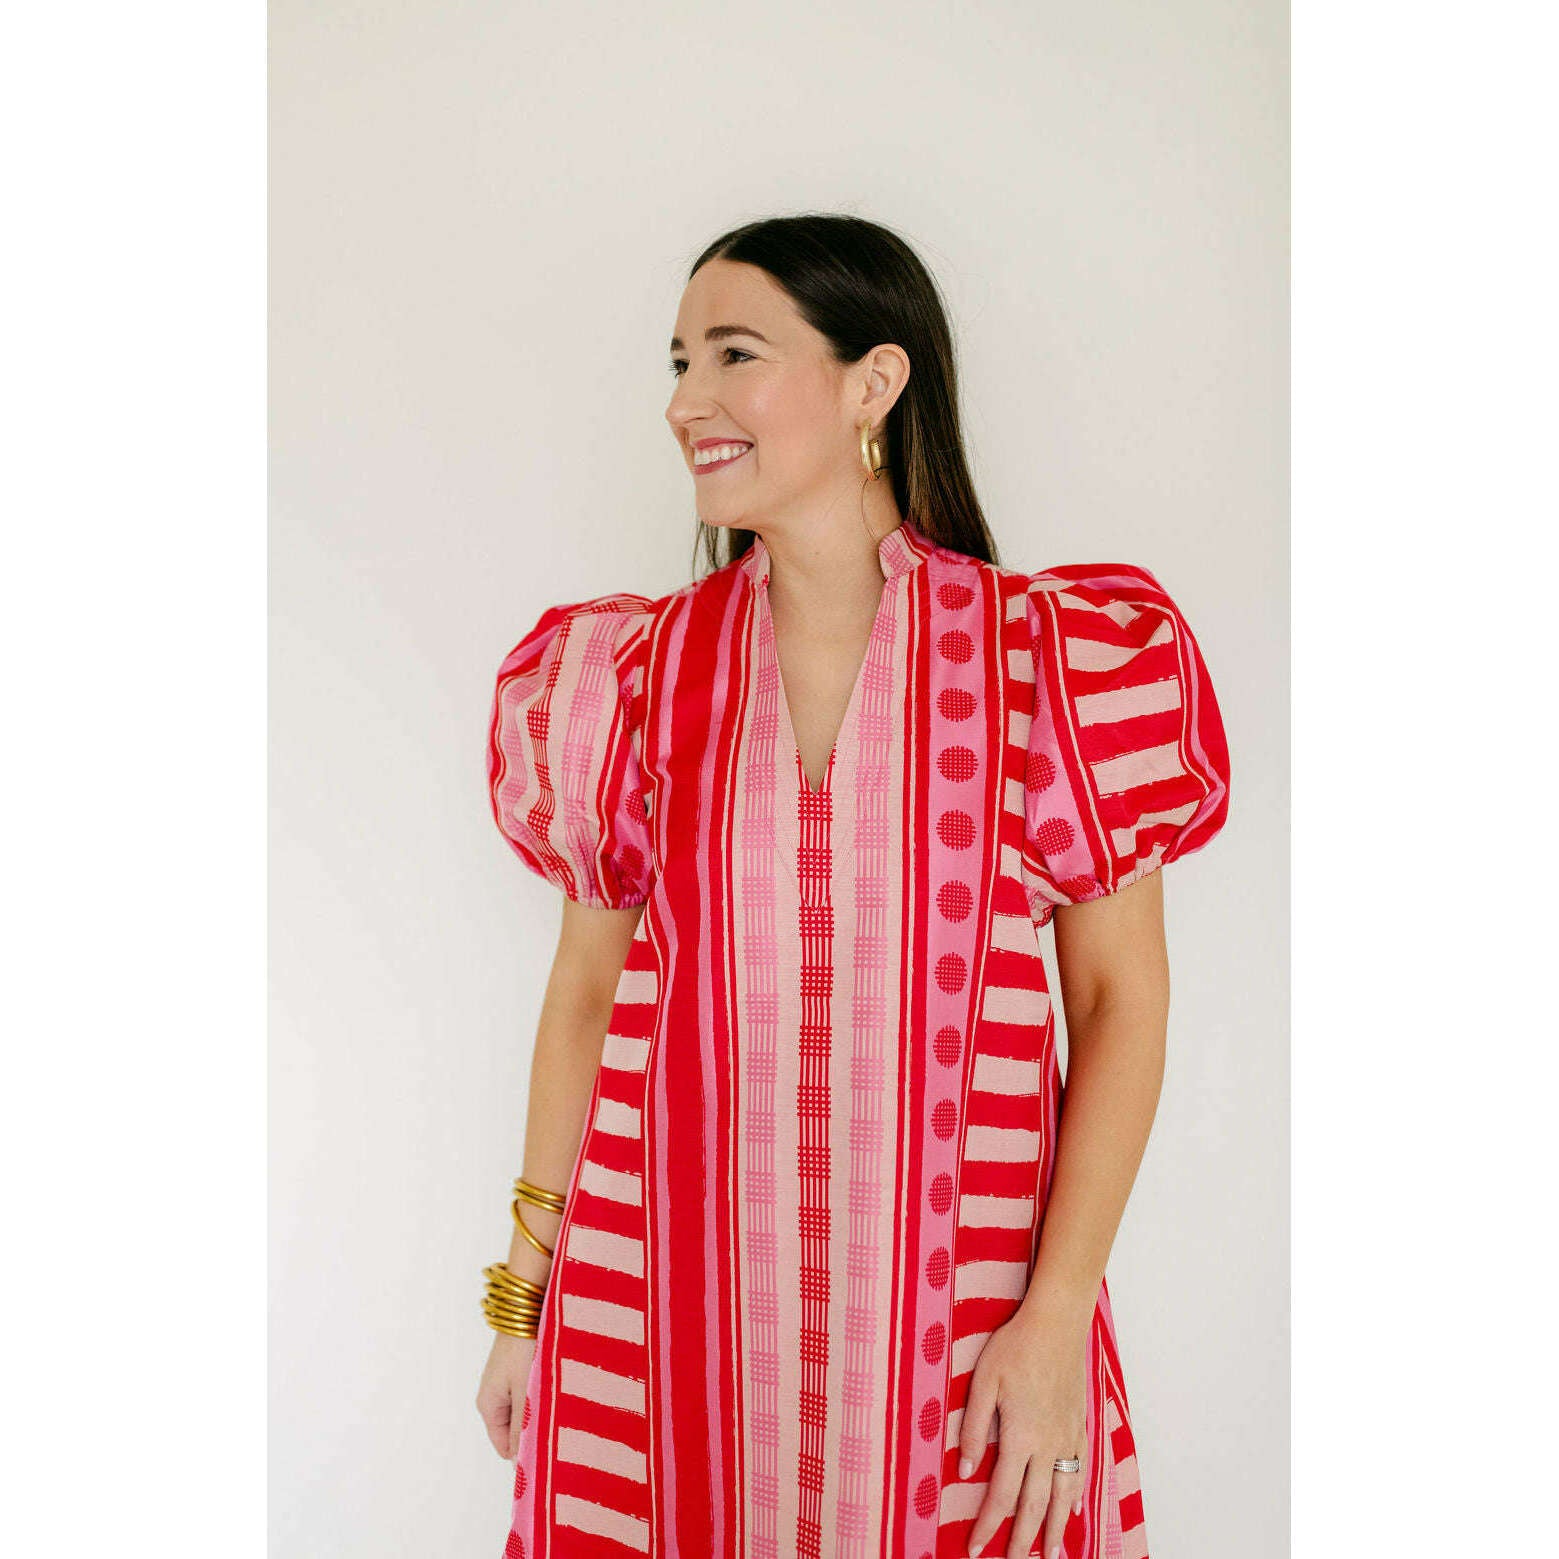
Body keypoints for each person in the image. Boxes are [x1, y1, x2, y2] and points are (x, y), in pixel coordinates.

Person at [475, 213, 1231, 1559]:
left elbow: (1122, 1002)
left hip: (972, 1337)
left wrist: (1058, 1316)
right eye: (680, 361)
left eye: (735, 354)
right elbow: (586, 995)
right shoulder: (626, 682)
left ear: (873, 382)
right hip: (658, 1328)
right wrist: (523, 1309)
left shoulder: (1052, 664)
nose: (686, 401)